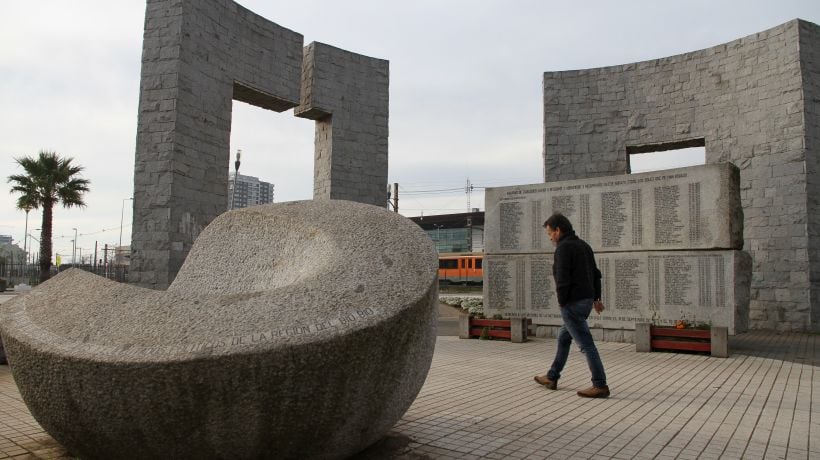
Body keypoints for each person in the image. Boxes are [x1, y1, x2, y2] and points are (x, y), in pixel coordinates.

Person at [534, 212, 610, 398]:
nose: (550, 237)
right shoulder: (584, 246)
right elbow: (596, 274)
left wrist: (562, 303)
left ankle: (600, 385)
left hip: (572, 304)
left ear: (558, 230)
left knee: (586, 345)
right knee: (563, 338)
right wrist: (596, 299)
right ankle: (552, 376)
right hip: (585, 302)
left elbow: (562, 279)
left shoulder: (563, 248)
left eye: (550, 233)